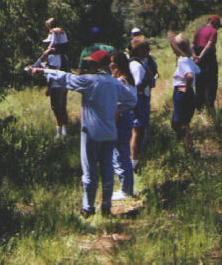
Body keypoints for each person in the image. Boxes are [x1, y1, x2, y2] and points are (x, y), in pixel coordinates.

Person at [26, 50, 136, 217]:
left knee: (90, 171)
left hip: (91, 133)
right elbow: (131, 101)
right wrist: (114, 108)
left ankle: (88, 207)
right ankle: (106, 207)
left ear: (94, 64)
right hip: (110, 133)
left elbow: (66, 78)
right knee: (107, 170)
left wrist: (43, 71)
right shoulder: (115, 84)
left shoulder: (88, 81)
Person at [36, 18, 70, 139]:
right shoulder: (64, 56)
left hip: (56, 86)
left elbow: (52, 73)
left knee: (56, 109)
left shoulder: (52, 57)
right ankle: (65, 132)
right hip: (64, 84)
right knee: (62, 108)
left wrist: (48, 87)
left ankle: (59, 133)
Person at [109, 52, 137, 200]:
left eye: (112, 63)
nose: (110, 65)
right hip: (128, 117)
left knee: (120, 153)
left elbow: (117, 106)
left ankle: (126, 190)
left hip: (121, 118)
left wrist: (112, 124)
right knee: (123, 152)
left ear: (118, 65)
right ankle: (126, 187)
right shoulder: (128, 80)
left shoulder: (121, 82)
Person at [128, 35, 157, 171]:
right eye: (145, 47)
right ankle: (133, 161)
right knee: (137, 131)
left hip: (140, 99)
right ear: (138, 50)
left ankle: (135, 159)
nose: (148, 50)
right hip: (139, 100)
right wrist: (149, 79)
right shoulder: (137, 66)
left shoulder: (139, 63)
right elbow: (137, 86)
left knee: (138, 131)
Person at [169, 32, 201, 151]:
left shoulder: (183, 61)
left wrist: (186, 88)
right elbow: (198, 71)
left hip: (182, 93)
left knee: (180, 123)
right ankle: (188, 147)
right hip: (188, 93)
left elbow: (190, 75)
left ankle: (188, 147)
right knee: (183, 122)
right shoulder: (188, 60)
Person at [191, 15, 222, 109]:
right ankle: (209, 107)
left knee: (199, 83)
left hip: (198, 58)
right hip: (208, 58)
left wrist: (195, 56)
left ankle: (199, 106)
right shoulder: (213, 31)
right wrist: (201, 56)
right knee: (211, 83)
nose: (217, 28)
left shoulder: (199, 31)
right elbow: (209, 45)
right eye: (217, 25)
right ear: (214, 23)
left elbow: (192, 45)